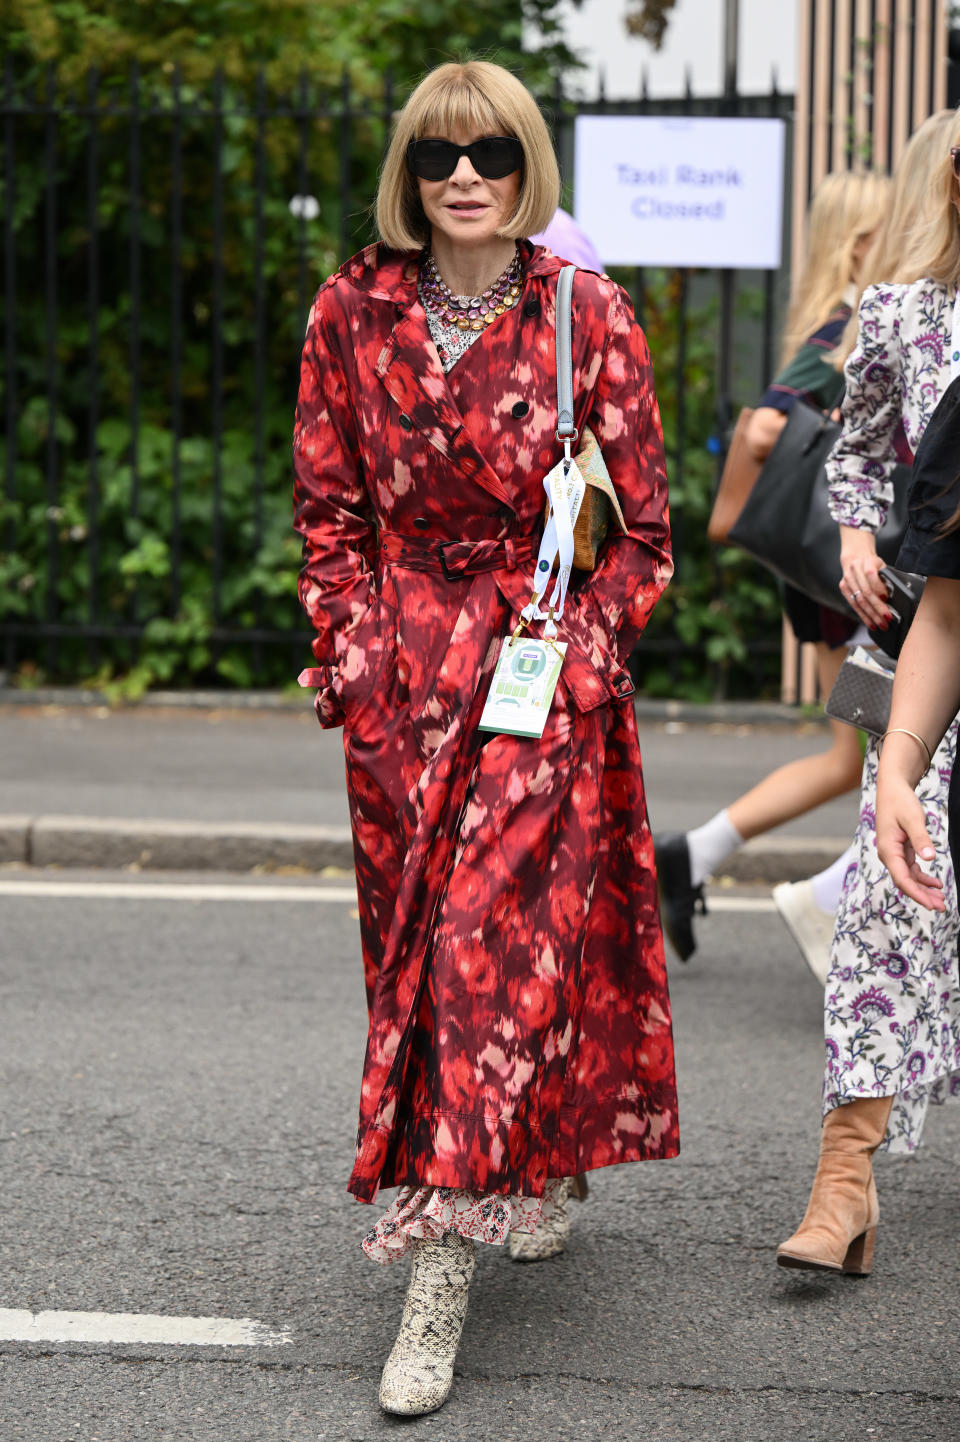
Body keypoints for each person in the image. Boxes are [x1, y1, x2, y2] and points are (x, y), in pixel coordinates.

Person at [292, 60, 678, 1416]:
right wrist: (349, 648)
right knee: (431, 953)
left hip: (538, 671)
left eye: (495, 153)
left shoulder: (591, 312)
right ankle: (541, 1146)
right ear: (410, 170)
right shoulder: (351, 310)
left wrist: (581, 662)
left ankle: (439, 1269)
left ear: (528, 169)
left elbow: (641, 534)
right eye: (442, 152)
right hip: (401, 685)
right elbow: (328, 513)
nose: (467, 174)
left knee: (479, 950)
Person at [776, 114, 960, 1276]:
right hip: (928, 635)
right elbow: (857, 450)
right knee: (891, 913)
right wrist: (853, 532)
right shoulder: (900, 313)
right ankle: (843, 1182)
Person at [655, 171, 892, 972]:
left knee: (854, 755)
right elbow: (763, 426)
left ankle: (695, 854)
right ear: (864, 243)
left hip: (830, 593)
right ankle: (828, 900)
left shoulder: (831, 321)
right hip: (857, 592)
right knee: (898, 754)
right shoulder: (849, 328)